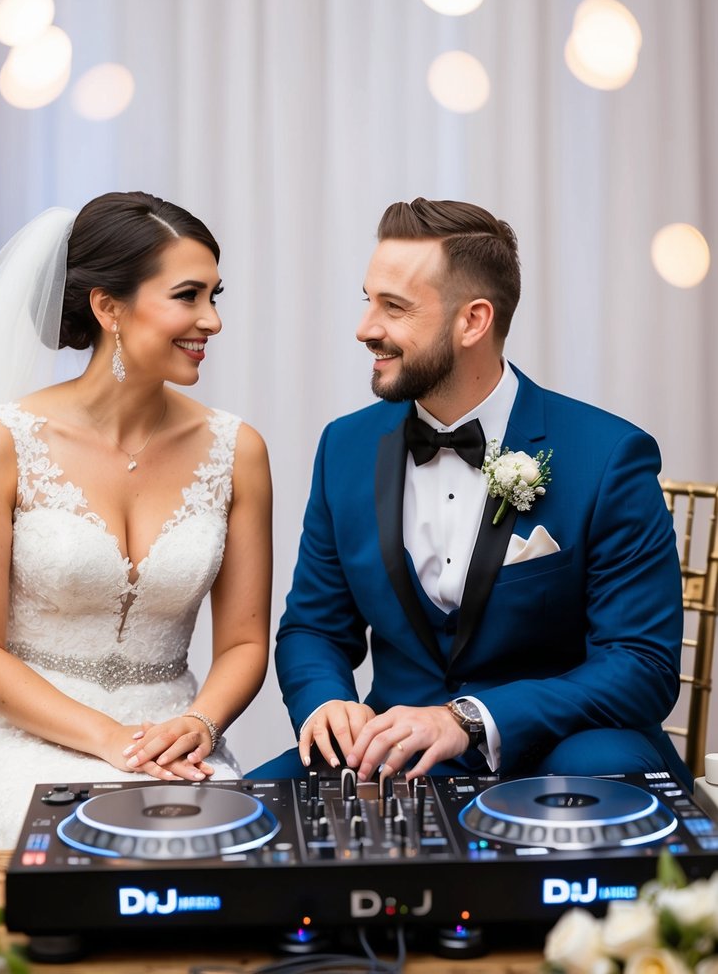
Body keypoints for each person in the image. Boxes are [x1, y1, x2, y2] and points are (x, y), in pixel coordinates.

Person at [250, 198, 689, 788]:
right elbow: (314, 629)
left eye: (394, 307)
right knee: (252, 819)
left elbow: (642, 665)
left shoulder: (608, 456)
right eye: (368, 301)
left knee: (597, 776)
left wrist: (471, 720)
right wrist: (326, 705)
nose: (365, 329)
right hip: (393, 755)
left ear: (473, 321)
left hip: (560, 749)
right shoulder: (344, 448)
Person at [0, 191, 272, 849]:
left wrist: (200, 727)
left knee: (220, 847)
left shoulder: (238, 451)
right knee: (83, 841)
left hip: (169, 742)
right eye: (187, 295)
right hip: (12, 735)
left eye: (215, 295)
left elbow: (243, 642)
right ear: (107, 307)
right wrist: (109, 740)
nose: (210, 320)